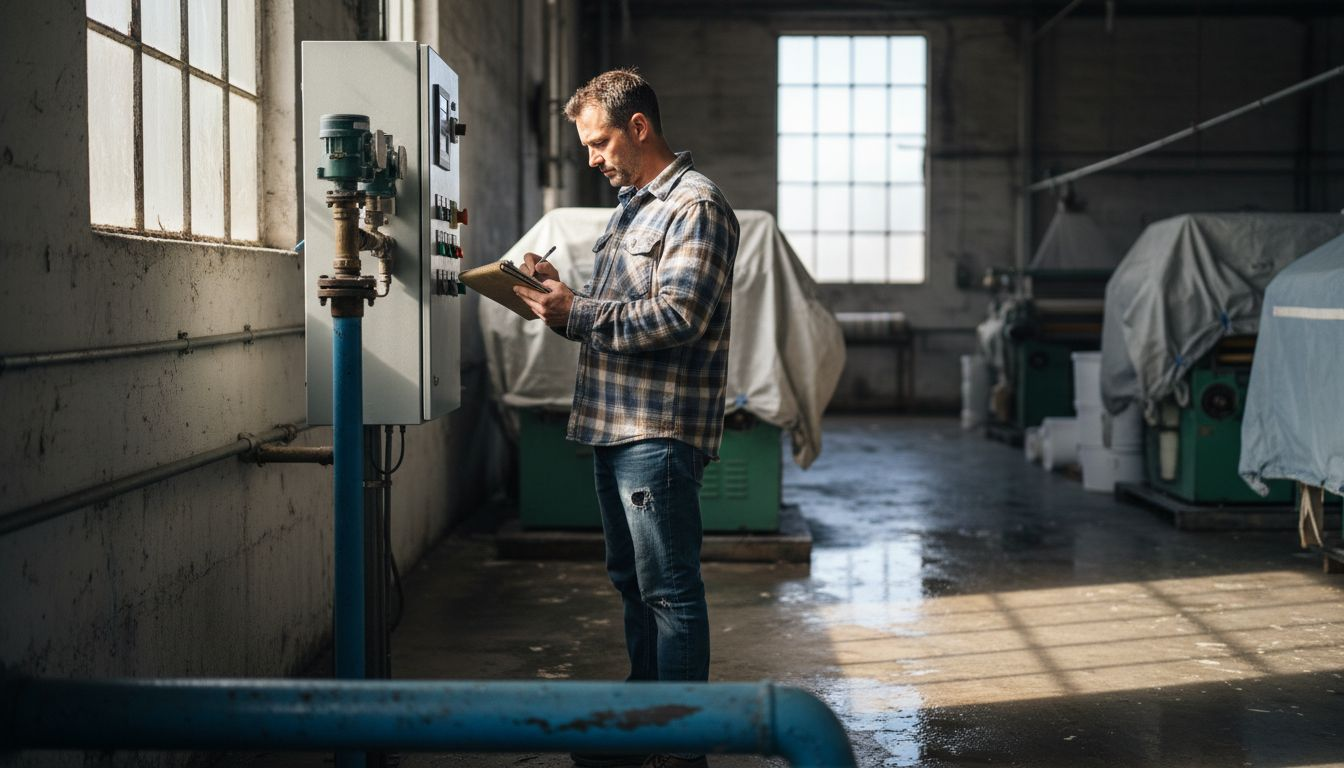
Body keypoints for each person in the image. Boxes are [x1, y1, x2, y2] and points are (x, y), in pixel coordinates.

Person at [512, 68, 739, 768]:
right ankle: (647, 718)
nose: (593, 158)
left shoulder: (695, 206)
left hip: (657, 431)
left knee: (670, 591)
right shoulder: (632, 207)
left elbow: (680, 314)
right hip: (615, 426)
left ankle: (680, 744)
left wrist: (575, 314)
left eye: (600, 142)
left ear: (639, 126)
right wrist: (558, 296)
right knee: (632, 581)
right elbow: (621, 310)